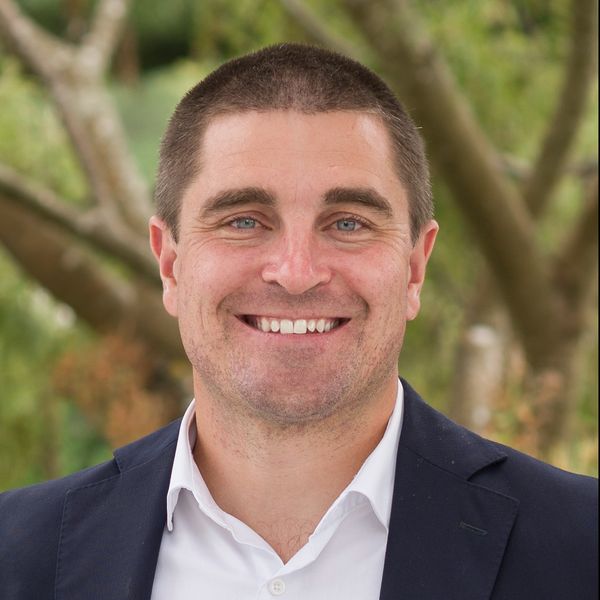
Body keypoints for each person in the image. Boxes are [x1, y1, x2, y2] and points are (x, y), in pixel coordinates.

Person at [0, 43, 596, 600]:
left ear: (415, 267)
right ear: (171, 265)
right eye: (243, 221)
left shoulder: (581, 549)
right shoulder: (16, 555)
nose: (296, 272)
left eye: (348, 223)